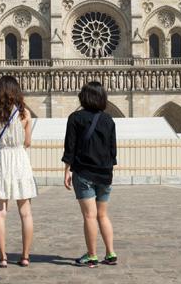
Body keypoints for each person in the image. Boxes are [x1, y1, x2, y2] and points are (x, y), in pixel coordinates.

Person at [0, 75, 37, 268]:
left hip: (1, 161)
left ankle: (3, 257)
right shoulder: (24, 113)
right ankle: (25, 256)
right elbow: (28, 143)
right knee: (26, 213)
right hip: (20, 160)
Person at [62, 81, 118, 268]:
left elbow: (70, 148)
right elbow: (113, 151)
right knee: (103, 215)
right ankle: (110, 253)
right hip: (105, 174)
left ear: (83, 98)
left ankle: (92, 255)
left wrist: (67, 172)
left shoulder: (75, 118)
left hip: (85, 173)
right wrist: (107, 170)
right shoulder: (109, 120)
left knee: (89, 216)